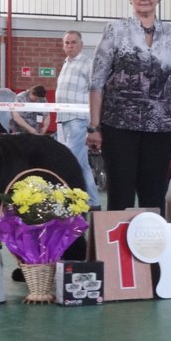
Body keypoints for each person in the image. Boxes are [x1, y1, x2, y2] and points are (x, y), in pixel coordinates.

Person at [87, 0, 171, 216]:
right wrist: (94, 127)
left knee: (153, 199)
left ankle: (150, 255)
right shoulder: (115, 30)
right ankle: (115, 255)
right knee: (119, 197)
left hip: (161, 129)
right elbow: (97, 81)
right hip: (118, 127)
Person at [55, 30, 100, 210]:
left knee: (70, 160)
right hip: (63, 118)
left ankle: (71, 201)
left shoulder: (87, 64)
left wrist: (93, 122)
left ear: (81, 45)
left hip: (78, 119)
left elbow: (96, 91)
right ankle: (93, 202)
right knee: (80, 162)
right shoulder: (66, 64)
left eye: (74, 42)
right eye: (67, 42)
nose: (70, 46)